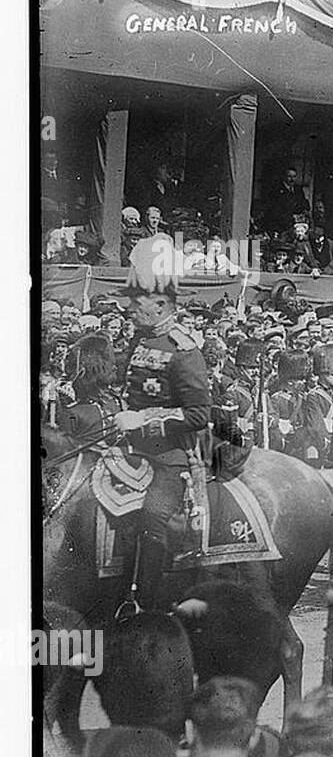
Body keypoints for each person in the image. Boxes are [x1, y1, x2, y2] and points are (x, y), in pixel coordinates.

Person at [112, 236, 211, 611]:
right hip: (131, 447)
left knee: (153, 518)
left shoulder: (184, 351)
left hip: (171, 458)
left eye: (137, 303)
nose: (130, 309)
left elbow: (199, 414)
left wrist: (144, 419)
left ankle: (144, 606)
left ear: (160, 305)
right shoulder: (140, 340)